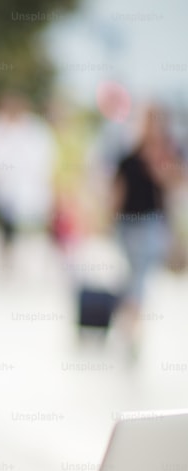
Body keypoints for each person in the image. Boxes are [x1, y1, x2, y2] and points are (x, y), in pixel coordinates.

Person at [111, 103, 185, 351]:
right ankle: (129, 321)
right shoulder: (129, 155)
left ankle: (131, 328)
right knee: (133, 276)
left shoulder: (169, 153)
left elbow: (176, 184)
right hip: (127, 223)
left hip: (152, 222)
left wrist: (159, 166)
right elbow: (118, 191)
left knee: (140, 275)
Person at [0, 90, 57, 266]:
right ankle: (5, 254)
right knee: (3, 220)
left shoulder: (36, 129)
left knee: (22, 222)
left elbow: (45, 161)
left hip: (26, 187)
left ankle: (19, 254)